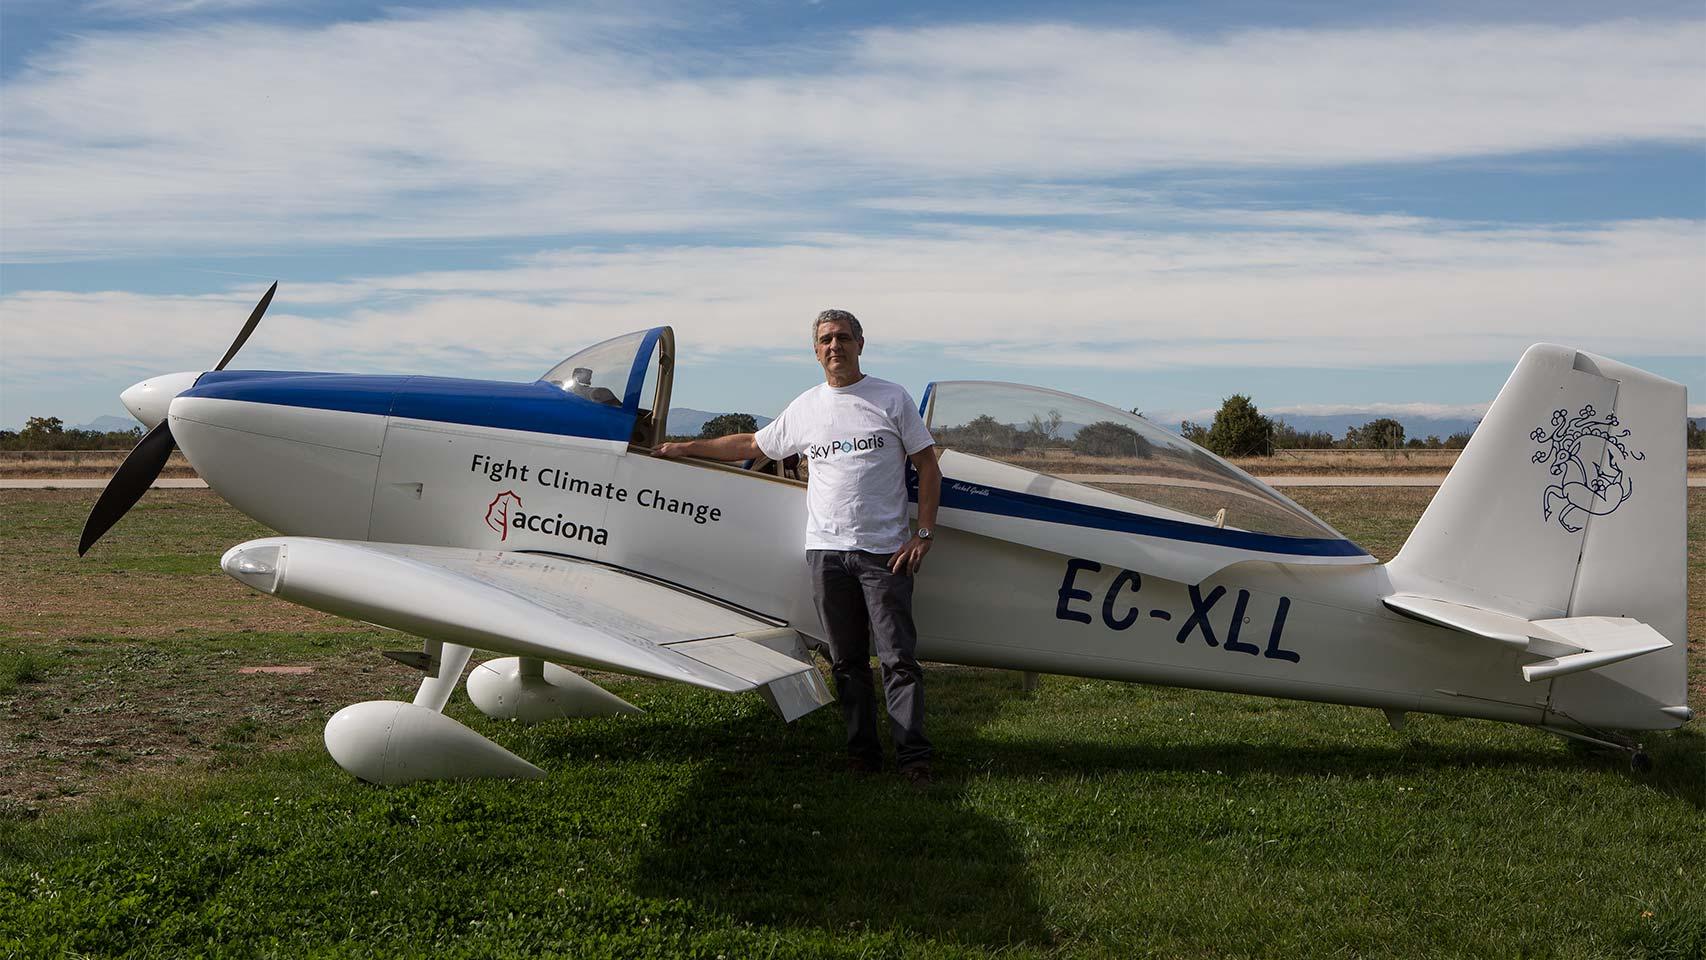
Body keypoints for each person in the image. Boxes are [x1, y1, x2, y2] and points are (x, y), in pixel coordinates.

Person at [655, 309, 943, 785]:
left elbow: (928, 467)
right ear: (816, 351)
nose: (836, 346)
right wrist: (685, 450)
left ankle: (914, 758)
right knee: (847, 661)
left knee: (898, 659)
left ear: (860, 344)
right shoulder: (807, 407)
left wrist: (924, 534)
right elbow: (752, 443)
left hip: (884, 553)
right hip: (827, 554)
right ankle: (862, 755)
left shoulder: (892, 398)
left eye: (844, 338)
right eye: (826, 340)